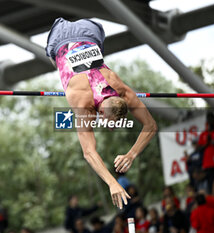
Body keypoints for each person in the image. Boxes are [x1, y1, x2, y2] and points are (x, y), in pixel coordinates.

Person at [46, 18, 157, 209]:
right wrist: (112, 182)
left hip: (90, 32)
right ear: (102, 111)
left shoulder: (121, 90)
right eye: (108, 122)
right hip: (60, 40)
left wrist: (131, 155)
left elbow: (151, 126)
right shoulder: (84, 105)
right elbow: (88, 152)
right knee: (51, 57)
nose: (108, 126)